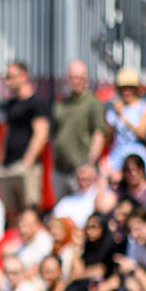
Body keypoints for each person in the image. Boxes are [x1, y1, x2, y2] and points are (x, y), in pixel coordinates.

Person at [0, 61, 52, 216]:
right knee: (12, 214)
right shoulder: (11, 104)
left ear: (24, 76)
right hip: (8, 166)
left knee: (29, 212)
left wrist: (27, 161)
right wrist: (0, 161)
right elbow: (5, 134)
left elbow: (41, 134)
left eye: (11, 76)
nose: (7, 81)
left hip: (25, 166)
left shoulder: (37, 103)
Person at [52, 60, 108, 197]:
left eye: (79, 78)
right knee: (62, 212)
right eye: (73, 78)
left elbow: (99, 134)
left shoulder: (93, 103)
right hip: (60, 170)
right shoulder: (61, 104)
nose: (76, 81)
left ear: (86, 80)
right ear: (68, 79)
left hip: (81, 171)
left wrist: (89, 164)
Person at [104, 68, 146, 178]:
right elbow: (108, 138)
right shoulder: (114, 108)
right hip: (118, 151)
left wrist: (122, 115)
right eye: (123, 88)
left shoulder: (145, 107)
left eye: (130, 88)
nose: (126, 91)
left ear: (136, 89)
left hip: (137, 150)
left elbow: (142, 133)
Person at [54, 163, 108, 227]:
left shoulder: (101, 194)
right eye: (79, 179)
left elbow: (102, 210)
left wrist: (101, 186)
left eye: (87, 179)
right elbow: (56, 217)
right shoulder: (67, 200)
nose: (82, 183)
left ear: (95, 178)